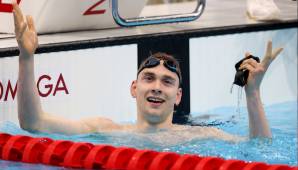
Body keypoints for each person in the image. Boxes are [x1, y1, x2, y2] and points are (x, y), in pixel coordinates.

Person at [12, 1, 283, 142]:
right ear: (134, 88)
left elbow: (259, 149)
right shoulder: (105, 130)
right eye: (149, 78)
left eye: (167, 82)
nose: (156, 86)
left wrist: (252, 94)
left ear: (178, 96)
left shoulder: (201, 137)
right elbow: (33, 123)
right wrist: (26, 58)